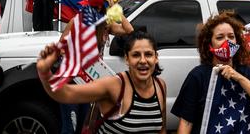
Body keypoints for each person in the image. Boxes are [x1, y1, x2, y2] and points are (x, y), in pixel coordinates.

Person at [37, 31, 167, 134]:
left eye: (148, 54)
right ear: (127, 59)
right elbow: (65, 93)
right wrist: (44, 72)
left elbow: (161, 130)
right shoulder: (114, 86)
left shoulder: (160, 87)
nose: (143, 60)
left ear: (156, 58)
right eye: (136, 55)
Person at [172, 12, 250, 133]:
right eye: (220, 37)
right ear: (209, 44)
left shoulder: (247, 72)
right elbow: (186, 122)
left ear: (237, 41)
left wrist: (238, 77)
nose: (227, 41)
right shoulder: (198, 75)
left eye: (231, 36)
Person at [59, 0, 134, 134]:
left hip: (90, 82)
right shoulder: (76, 21)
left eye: (88, 7)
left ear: (98, 9)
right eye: (84, 6)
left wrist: (115, 10)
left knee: (85, 126)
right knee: (70, 127)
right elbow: (61, 47)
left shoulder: (105, 25)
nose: (84, 10)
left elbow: (129, 30)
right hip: (71, 80)